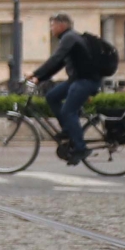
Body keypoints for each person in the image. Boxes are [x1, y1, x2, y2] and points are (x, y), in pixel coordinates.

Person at [31, 15, 100, 164]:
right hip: (77, 80)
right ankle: (69, 131)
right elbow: (58, 64)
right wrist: (39, 78)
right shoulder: (69, 39)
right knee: (51, 97)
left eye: (52, 26)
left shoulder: (70, 38)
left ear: (62, 25)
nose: (51, 29)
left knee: (68, 111)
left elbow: (55, 58)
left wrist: (35, 73)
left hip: (85, 81)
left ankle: (81, 148)